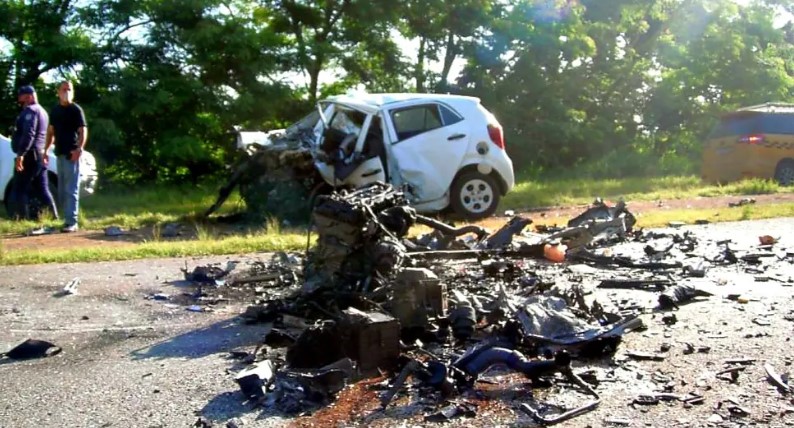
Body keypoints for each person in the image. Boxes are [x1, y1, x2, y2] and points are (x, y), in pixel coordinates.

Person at [9, 85, 58, 221]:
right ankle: (54, 218)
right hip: (40, 155)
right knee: (42, 189)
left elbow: (28, 134)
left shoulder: (30, 111)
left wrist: (21, 154)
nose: (20, 101)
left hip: (30, 156)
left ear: (29, 96)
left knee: (19, 189)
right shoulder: (42, 111)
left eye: (22, 97)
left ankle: (21, 220)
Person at [44, 80, 87, 233]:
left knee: (71, 189)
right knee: (62, 189)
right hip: (59, 154)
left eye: (69, 89)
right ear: (58, 92)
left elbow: (83, 130)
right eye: (64, 89)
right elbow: (51, 132)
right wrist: (45, 151)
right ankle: (66, 220)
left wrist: (79, 149)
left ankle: (72, 222)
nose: (66, 92)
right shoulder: (55, 111)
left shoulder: (76, 109)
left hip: (72, 154)